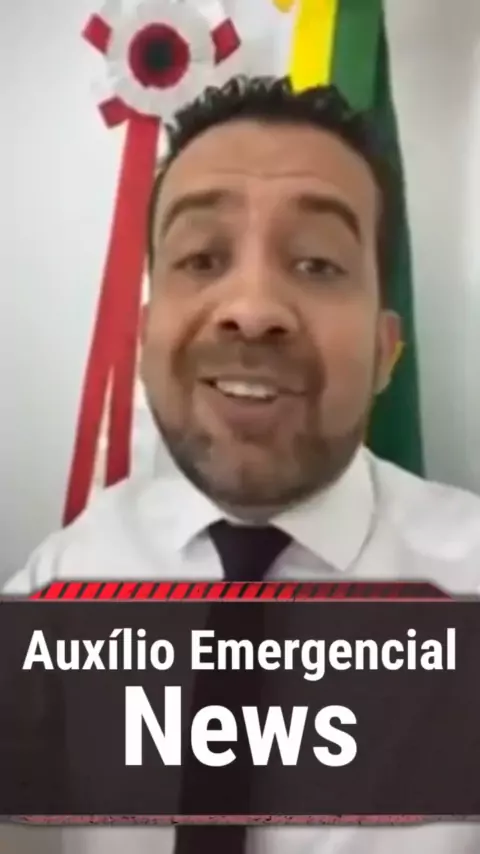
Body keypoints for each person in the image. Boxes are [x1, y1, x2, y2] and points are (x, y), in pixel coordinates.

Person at [4, 75, 480, 854]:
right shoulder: (63, 576)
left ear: (385, 351)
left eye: (318, 264)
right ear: (147, 337)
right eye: (201, 257)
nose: (251, 309)